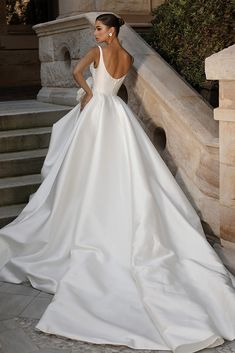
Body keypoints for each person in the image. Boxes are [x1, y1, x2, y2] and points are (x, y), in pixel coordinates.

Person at [0, 12, 234, 353]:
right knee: (122, 166)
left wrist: (90, 93)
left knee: (85, 165)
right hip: (118, 115)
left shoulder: (98, 51)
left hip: (98, 111)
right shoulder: (127, 56)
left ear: (110, 31)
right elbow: (119, 85)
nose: (95, 32)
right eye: (96, 28)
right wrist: (103, 92)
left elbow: (76, 73)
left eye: (98, 28)